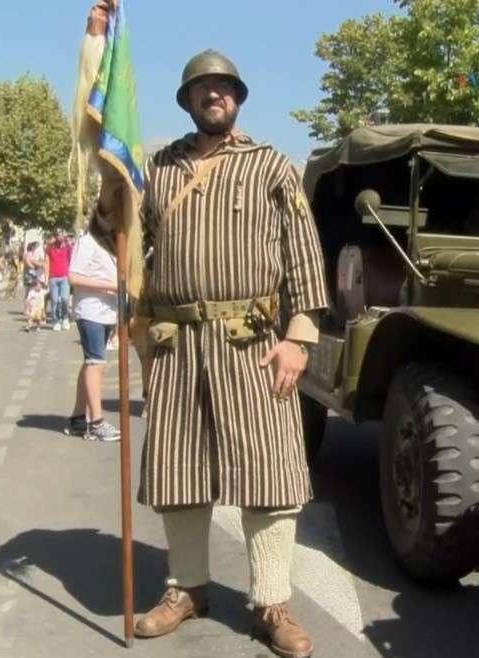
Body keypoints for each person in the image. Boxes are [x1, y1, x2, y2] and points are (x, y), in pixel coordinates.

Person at [87, 10, 328, 653]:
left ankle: (271, 602)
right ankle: (188, 587)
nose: (212, 95)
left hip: (253, 345)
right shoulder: (159, 168)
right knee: (178, 470)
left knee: (270, 476)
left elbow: (305, 257)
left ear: (238, 98)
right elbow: (120, 238)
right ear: (188, 101)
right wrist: (111, 193)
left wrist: (298, 339)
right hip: (174, 344)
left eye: (223, 87)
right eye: (201, 88)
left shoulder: (272, 166)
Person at [65, 231, 121, 441]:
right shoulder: (88, 241)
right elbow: (74, 277)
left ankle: (78, 418)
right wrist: (111, 286)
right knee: (96, 363)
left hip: (106, 311)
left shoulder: (113, 242)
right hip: (90, 310)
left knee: (90, 363)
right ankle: (97, 422)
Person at [45, 228, 74, 331]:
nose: (60, 236)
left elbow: (71, 261)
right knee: (55, 300)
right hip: (53, 277)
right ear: (55, 236)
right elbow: (47, 262)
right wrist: (46, 277)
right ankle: (56, 321)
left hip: (65, 277)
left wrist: (71, 275)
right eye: (58, 235)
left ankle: (65, 318)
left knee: (65, 299)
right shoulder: (50, 247)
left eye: (61, 234)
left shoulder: (68, 247)